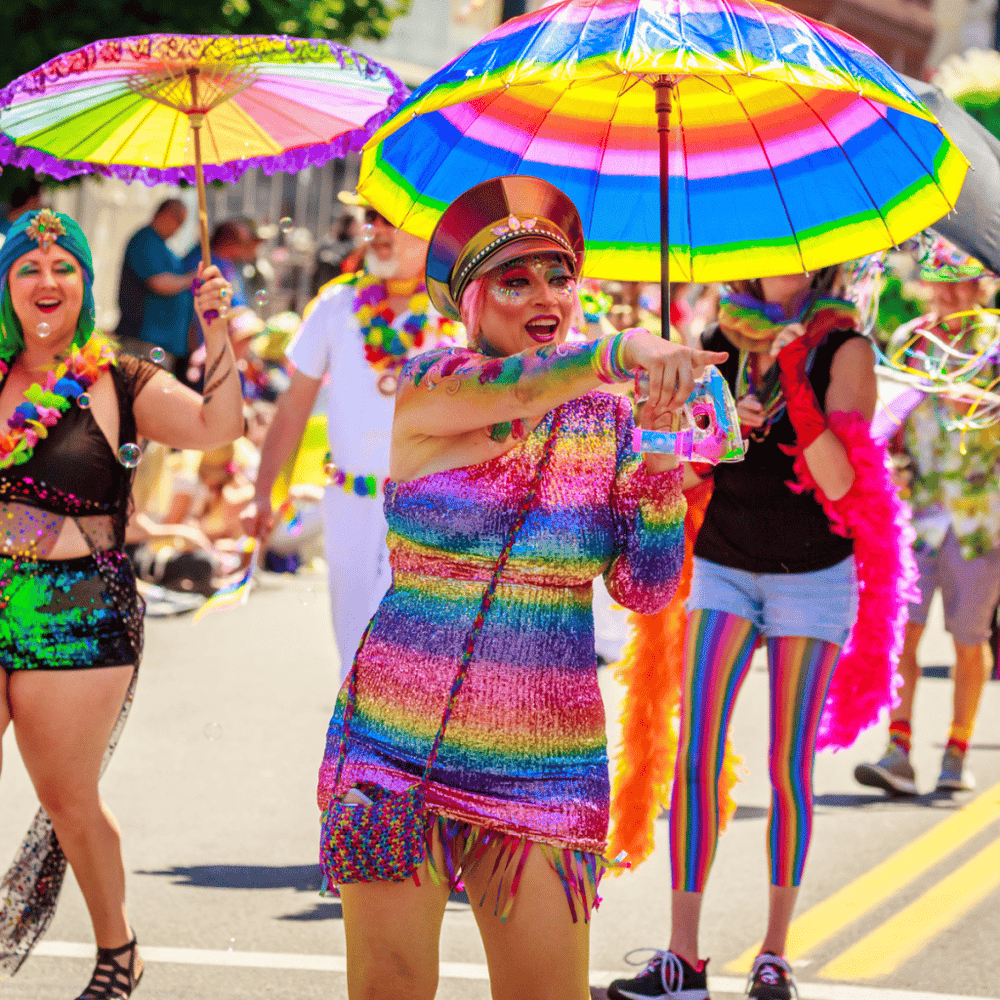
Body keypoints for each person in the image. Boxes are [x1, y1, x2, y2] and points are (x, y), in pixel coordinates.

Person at [315, 176, 726, 1000]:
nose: (546, 295)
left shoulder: (611, 419)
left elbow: (646, 592)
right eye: (516, 280)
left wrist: (655, 454)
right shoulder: (434, 385)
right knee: (388, 988)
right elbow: (526, 386)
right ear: (471, 302)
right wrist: (627, 349)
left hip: (547, 764)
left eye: (559, 276)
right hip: (396, 748)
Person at [609, 267, 883, 1000]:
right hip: (725, 565)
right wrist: (706, 430)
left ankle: (774, 954)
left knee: (788, 765)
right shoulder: (711, 344)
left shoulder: (844, 349)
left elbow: (839, 483)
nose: (778, 257)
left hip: (813, 575)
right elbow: (693, 479)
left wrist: (796, 383)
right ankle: (683, 958)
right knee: (696, 753)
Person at [0, 208, 243, 997]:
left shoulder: (120, 379)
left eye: (63, 267)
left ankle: (118, 948)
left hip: (78, 605)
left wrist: (218, 331)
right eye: (29, 267)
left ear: (86, 286)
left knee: (67, 798)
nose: (46, 281)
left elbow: (216, 425)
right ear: (6, 286)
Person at [241, 204, 458, 680]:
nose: (379, 231)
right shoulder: (336, 305)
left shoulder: (459, 312)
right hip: (350, 501)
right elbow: (292, 408)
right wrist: (262, 493)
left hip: (430, 509)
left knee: (414, 662)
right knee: (355, 654)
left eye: (393, 220)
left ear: (427, 233)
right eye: (372, 218)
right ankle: (355, 753)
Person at [856, 274, 1000, 796]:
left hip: (980, 520)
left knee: (969, 640)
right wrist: (887, 461)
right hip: (914, 515)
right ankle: (898, 749)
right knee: (903, 636)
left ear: (982, 286)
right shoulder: (910, 341)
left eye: (961, 284)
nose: (949, 294)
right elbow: (885, 420)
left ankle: (957, 752)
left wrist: (983, 407)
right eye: (940, 283)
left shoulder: (996, 344)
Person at [115, 199, 197, 371]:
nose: (179, 229)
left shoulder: (161, 246)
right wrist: (194, 277)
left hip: (161, 344)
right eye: (179, 221)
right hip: (143, 339)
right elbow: (159, 282)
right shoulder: (145, 241)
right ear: (166, 215)